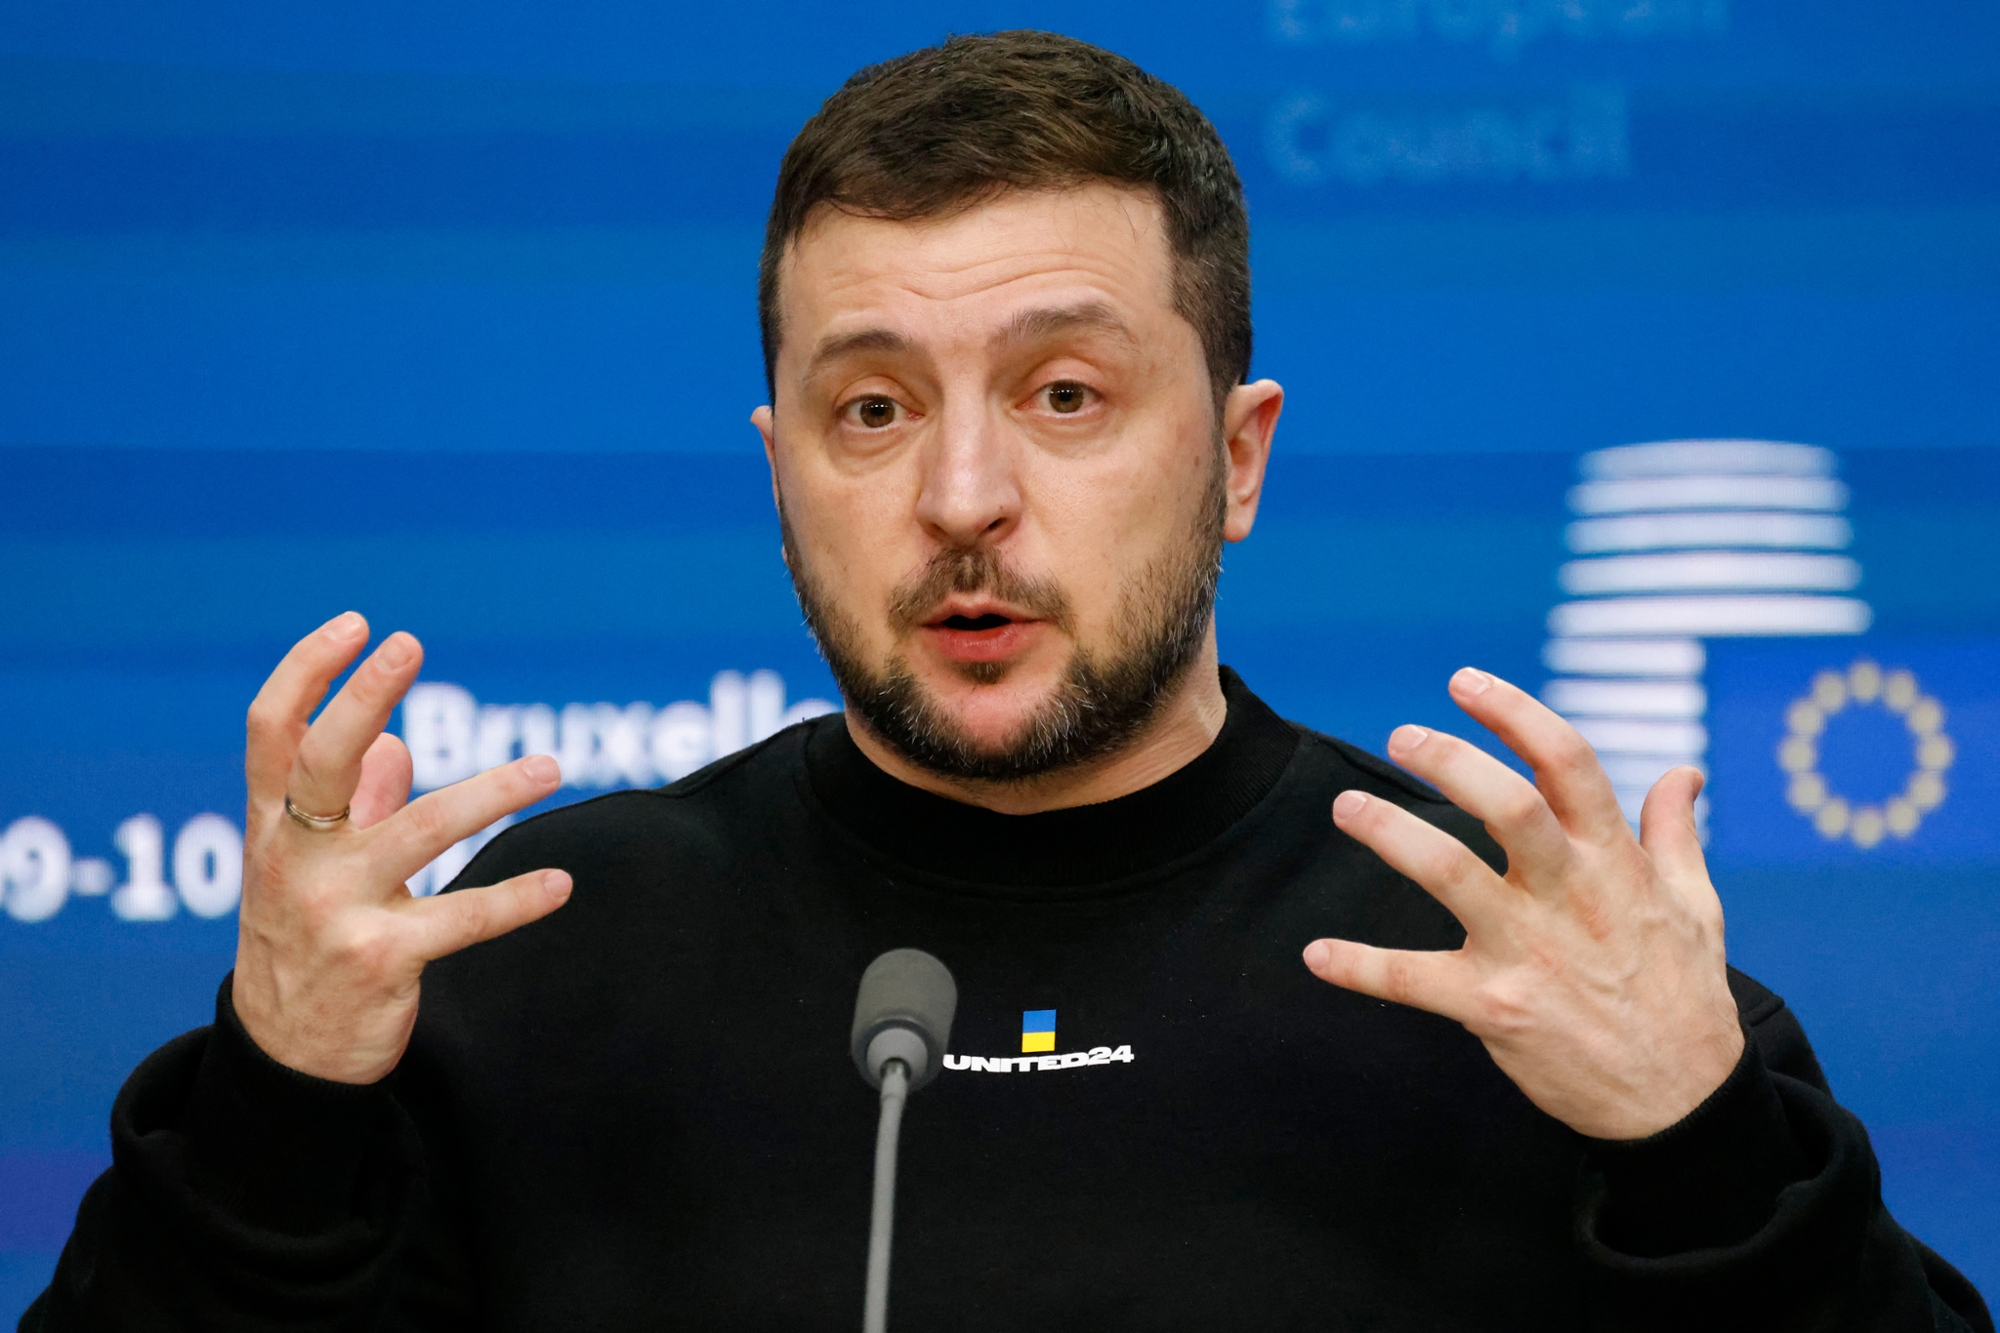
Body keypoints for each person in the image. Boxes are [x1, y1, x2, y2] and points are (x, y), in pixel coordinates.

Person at [23, 31, 1990, 1333]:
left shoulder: (1514, 962)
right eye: (872, 409)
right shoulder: (551, 947)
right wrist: (275, 1098)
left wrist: (1699, 1139)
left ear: (1237, 456)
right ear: (781, 469)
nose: (963, 497)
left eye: (1063, 395)